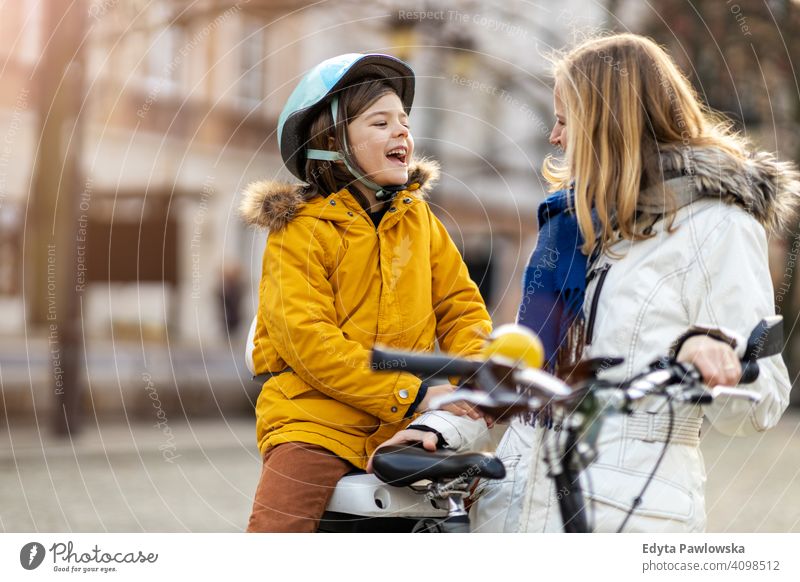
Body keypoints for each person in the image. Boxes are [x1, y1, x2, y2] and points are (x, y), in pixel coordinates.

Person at [371, 33, 798, 533]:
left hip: (626, 516)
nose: (554, 137)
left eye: (564, 120)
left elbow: (765, 397)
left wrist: (710, 354)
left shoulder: (718, 226)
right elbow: (521, 374)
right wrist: (439, 429)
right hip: (512, 511)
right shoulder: (569, 230)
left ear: (608, 125)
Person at [239, 53, 492, 532]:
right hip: (315, 422)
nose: (401, 132)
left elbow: (460, 308)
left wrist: (476, 378)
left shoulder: (420, 223)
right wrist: (413, 390)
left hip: (403, 424)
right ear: (332, 141)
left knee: (479, 509)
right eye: (381, 122)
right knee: (278, 533)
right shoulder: (300, 232)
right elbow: (308, 339)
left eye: (404, 121)